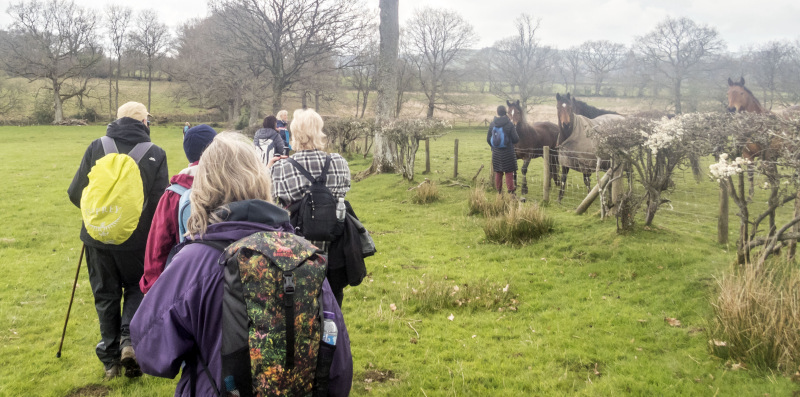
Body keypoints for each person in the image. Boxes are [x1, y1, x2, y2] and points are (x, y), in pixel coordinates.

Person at [131, 133, 352, 396]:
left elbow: (150, 350)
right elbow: (338, 364)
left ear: (204, 188)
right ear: (262, 181)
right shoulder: (301, 255)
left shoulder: (193, 263)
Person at [67, 101, 169, 380]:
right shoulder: (155, 153)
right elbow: (161, 203)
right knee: (137, 288)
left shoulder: (96, 146)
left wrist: (100, 216)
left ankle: (110, 362)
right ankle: (129, 342)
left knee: (105, 294)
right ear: (144, 122)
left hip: (97, 239)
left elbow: (76, 192)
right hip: (137, 241)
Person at [270, 108, 352, 305]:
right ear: (319, 131)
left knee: (299, 307)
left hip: (296, 252)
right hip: (334, 249)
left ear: (294, 134)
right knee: (333, 305)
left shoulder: (282, 168)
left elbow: (271, 198)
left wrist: (267, 169)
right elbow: (345, 189)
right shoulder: (338, 163)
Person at [139, 124, 217, 294]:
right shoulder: (236, 187)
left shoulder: (174, 193)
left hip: (186, 283)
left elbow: (157, 246)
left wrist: (151, 288)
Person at [487, 105, 520, 196]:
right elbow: (516, 139)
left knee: (498, 172)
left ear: (497, 112)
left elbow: (488, 139)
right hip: (508, 152)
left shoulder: (492, 124)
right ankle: (511, 192)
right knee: (509, 172)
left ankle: (499, 192)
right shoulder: (509, 124)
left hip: (496, 153)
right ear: (505, 112)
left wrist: (494, 147)